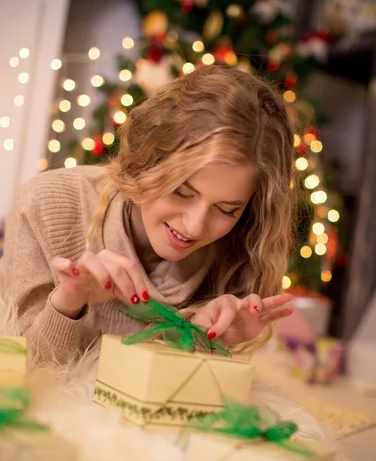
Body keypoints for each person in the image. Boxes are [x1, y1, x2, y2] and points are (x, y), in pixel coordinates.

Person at [0, 65, 294, 364]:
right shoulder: (46, 203)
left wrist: (203, 344)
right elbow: (18, 377)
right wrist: (69, 301)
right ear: (146, 161)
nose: (194, 227)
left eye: (226, 209)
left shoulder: (236, 247)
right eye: (181, 191)